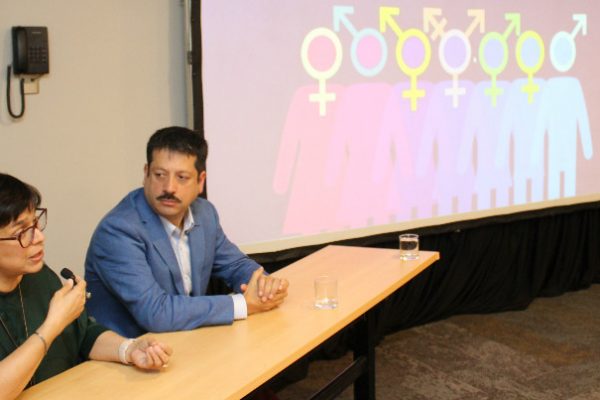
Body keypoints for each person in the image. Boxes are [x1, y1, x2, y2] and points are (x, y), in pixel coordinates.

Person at [85, 126, 289, 337]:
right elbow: (156, 313)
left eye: (182, 177)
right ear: (145, 174)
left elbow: (235, 265)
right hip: (130, 349)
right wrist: (242, 304)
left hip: (184, 337)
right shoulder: (118, 231)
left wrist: (264, 286)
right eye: (159, 175)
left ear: (200, 181)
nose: (169, 187)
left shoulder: (204, 214)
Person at [0, 173, 172, 400]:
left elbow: (83, 335)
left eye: (35, 223)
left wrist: (129, 349)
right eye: (22, 232)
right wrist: (53, 325)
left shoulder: (39, 276)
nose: (39, 237)